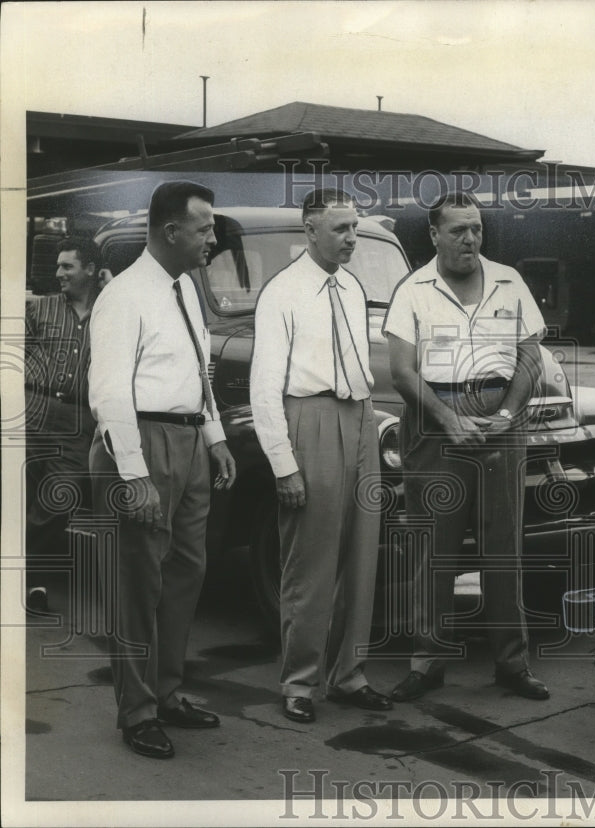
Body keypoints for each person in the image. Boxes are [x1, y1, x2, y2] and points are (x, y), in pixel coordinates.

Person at [88, 180, 237, 759]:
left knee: (184, 578)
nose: (212, 238)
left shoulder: (184, 289)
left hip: (189, 442)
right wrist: (135, 473)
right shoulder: (123, 296)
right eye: (204, 228)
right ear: (171, 230)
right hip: (142, 445)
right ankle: (138, 711)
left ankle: (168, 691)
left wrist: (216, 438)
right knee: (137, 585)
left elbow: (198, 373)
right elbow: (109, 393)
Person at [383, 192, 550, 702]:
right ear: (434, 235)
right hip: (435, 425)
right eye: (458, 230)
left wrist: (505, 414)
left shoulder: (509, 280)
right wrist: (448, 419)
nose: (471, 239)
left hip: (503, 420)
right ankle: (427, 662)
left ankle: (512, 664)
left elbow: (529, 356)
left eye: (476, 229)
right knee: (434, 547)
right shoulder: (413, 289)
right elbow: (402, 372)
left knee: (505, 546)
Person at [249, 188, 390, 724]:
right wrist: (284, 463)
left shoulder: (352, 288)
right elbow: (265, 389)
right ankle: (301, 683)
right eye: (340, 230)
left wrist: (368, 422)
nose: (352, 238)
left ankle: (350, 674)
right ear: (310, 231)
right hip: (308, 418)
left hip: (361, 418)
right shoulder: (282, 293)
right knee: (309, 564)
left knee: (362, 556)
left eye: (354, 228)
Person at [23, 237, 103, 613]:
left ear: (90, 269)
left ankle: (30, 569)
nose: (58, 274)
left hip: (77, 419)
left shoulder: (109, 310)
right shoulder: (40, 308)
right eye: (57, 266)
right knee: (17, 494)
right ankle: (33, 584)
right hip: (32, 409)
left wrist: (112, 282)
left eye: (67, 267)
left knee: (58, 499)